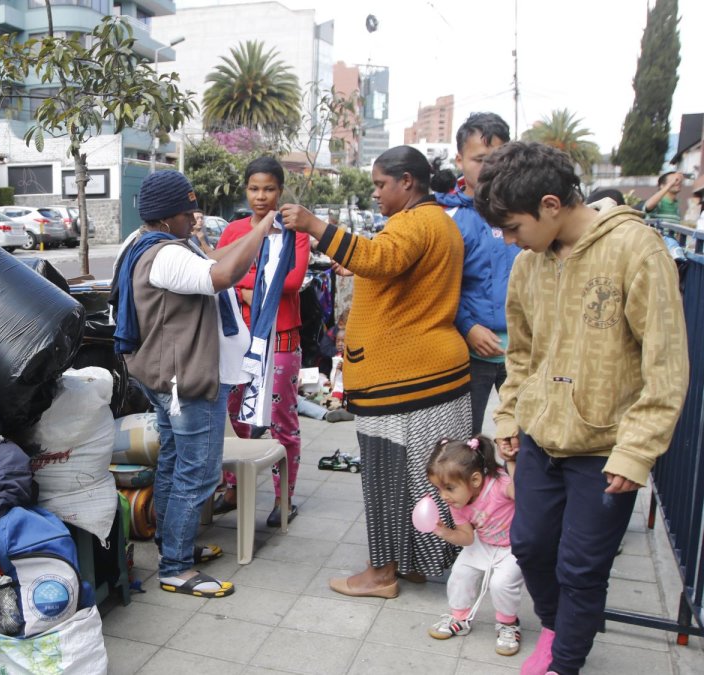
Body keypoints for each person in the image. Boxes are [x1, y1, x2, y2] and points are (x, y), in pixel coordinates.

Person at [474, 141, 688, 675]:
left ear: (550, 204)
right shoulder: (528, 265)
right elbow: (520, 354)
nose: (507, 239)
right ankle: (560, 625)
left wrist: (636, 453)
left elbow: (667, 366)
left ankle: (563, 662)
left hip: (608, 449)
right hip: (541, 440)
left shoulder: (638, 251)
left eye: (512, 226)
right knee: (529, 546)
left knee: (582, 568)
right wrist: (510, 418)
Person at [281, 145, 472, 599]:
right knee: (420, 479)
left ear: (407, 182)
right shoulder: (439, 222)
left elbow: (381, 259)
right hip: (429, 376)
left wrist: (314, 225)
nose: (376, 194)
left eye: (380, 185)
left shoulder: (413, 222)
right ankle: (412, 564)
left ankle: (382, 573)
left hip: (406, 382)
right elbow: (393, 268)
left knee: (389, 477)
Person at [112, 170, 293, 598]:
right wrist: (263, 227)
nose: (194, 217)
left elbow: (215, 261)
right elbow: (223, 275)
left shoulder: (148, 244)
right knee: (199, 472)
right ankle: (175, 566)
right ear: (169, 214)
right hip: (188, 381)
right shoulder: (166, 256)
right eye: (188, 210)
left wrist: (252, 233)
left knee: (176, 463)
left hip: (169, 378)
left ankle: (170, 543)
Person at [211, 157, 312, 527]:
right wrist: (249, 284)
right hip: (237, 340)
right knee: (237, 418)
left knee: (282, 421)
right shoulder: (234, 230)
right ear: (246, 190)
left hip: (281, 341)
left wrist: (242, 280)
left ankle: (284, 497)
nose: (261, 196)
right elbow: (215, 272)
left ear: (280, 191)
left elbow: (291, 280)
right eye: (254, 188)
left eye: (269, 188)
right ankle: (236, 487)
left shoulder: (295, 231)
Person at [435, 112, 517, 436]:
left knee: (526, 443)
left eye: (498, 159)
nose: (489, 168)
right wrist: (468, 328)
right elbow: (439, 287)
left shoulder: (523, 211)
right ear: (460, 159)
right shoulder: (448, 217)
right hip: (470, 350)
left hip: (522, 352)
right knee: (463, 445)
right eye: (480, 159)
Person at [425, 436, 524, 658]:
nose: (443, 496)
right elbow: (467, 538)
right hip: (484, 542)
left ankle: (509, 624)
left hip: (514, 546)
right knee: (460, 573)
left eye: (449, 488)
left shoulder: (500, 484)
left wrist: (514, 462)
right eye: (439, 489)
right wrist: (444, 532)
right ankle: (460, 618)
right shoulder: (458, 502)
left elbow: (522, 494)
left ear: (476, 479)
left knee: (502, 584)